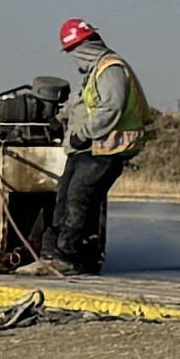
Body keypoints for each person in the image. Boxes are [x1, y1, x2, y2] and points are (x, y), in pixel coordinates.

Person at [52, 17, 157, 274]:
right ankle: (53, 254)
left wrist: (83, 133)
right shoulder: (92, 72)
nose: (74, 57)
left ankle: (68, 258)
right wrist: (59, 119)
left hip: (106, 149)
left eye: (74, 50)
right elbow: (79, 104)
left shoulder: (110, 69)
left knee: (79, 199)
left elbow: (112, 107)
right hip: (88, 149)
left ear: (84, 46)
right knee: (64, 198)